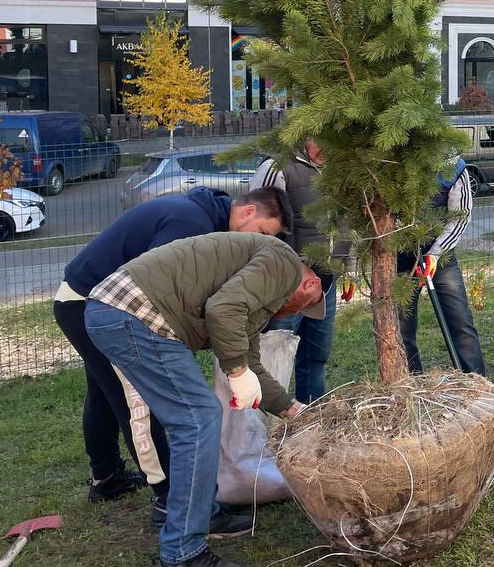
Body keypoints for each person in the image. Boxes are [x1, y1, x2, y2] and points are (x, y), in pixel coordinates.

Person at [85, 230, 325, 567]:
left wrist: (291, 409)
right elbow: (222, 310)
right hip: (134, 312)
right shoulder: (283, 263)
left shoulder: (258, 293)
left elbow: (251, 361)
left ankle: (201, 514)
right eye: (304, 308)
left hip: (120, 311)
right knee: (198, 420)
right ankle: (182, 552)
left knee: (197, 418)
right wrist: (237, 371)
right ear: (310, 285)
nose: (292, 315)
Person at [52, 186, 291, 514]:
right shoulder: (190, 222)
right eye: (263, 232)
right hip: (91, 303)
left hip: (90, 301)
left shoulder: (203, 216)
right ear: (249, 211)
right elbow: (160, 291)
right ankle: (168, 495)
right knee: (133, 398)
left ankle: (106, 477)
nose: (262, 242)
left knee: (105, 389)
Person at [251, 139, 342, 403]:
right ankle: (265, 421)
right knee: (273, 355)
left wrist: (346, 267)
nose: (327, 146)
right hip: (286, 287)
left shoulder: (339, 168)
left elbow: (344, 225)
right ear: (304, 134)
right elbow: (257, 231)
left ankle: (312, 414)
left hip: (325, 283)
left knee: (317, 355)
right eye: (320, 137)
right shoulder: (278, 168)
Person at [396, 153, 486, 375]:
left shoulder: (452, 166)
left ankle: (475, 382)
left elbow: (460, 216)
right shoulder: (393, 158)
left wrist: (435, 253)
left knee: (460, 320)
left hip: (439, 254)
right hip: (398, 254)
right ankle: (411, 381)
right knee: (401, 327)